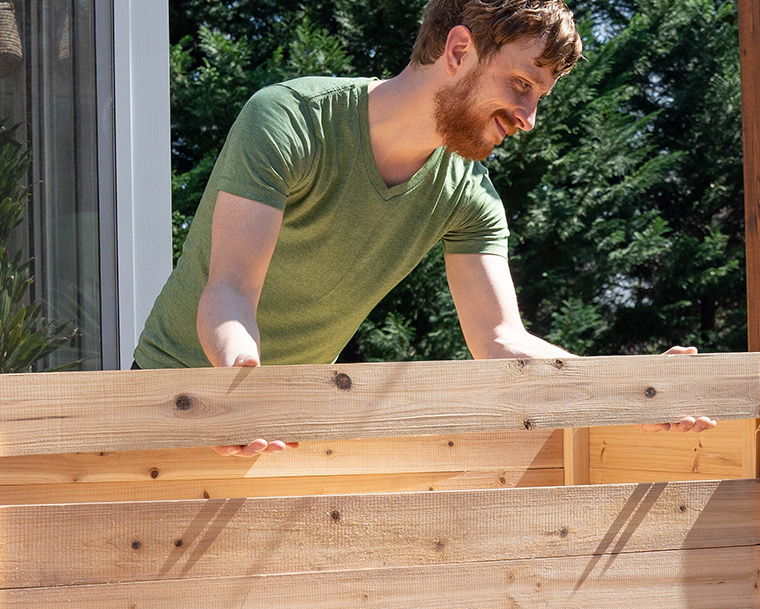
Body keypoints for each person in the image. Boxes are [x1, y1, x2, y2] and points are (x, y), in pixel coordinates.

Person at [134, 0, 716, 457]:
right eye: (521, 85)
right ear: (459, 48)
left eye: (539, 98)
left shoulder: (469, 197)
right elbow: (229, 291)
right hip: (160, 408)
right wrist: (242, 387)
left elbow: (502, 342)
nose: (529, 119)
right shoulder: (290, 120)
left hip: (280, 429)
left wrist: (636, 390)